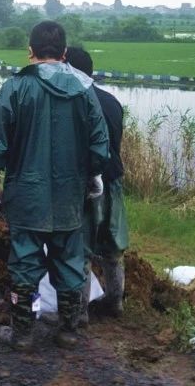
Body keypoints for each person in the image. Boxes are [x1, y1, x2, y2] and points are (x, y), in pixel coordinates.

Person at [0, 21, 109, 352]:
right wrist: (95, 174)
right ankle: (68, 331)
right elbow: (99, 139)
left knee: (25, 260)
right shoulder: (84, 90)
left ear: (30, 51)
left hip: (26, 193)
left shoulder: (16, 87)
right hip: (70, 194)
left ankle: (23, 334)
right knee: (69, 259)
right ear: (64, 53)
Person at [66, 47, 127, 317]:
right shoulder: (112, 101)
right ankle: (115, 301)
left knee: (82, 250)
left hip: (89, 183)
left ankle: (80, 314)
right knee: (113, 245)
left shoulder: (76, 101)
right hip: (113, 180)